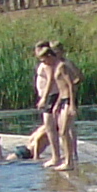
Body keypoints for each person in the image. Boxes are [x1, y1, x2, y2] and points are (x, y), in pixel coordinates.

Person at [31, 39, 82, 170]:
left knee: (64, 131)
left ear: (50, 56)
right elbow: (62, 88)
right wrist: (58, 104)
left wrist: (72, 104)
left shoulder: (62, 66)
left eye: (44, 60)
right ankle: (68, 159)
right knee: (63, 131)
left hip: (68, 100)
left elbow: (70, 85)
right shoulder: (58, 65)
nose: (44, 63)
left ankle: (68, 161)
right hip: (63, 99)